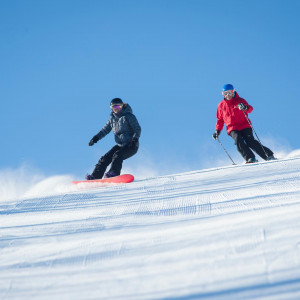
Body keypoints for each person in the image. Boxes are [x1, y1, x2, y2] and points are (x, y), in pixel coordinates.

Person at [212, 84, 276, 163]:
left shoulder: (240, 100)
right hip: (232, 128)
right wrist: (217, 131)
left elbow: (250, 109)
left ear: (233, 92)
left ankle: (268, 155)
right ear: (222, 94)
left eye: (229, 93)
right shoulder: (221, 105)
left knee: (250, 141)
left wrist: (245, 107)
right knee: (238, 141)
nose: (228, 95)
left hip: (244, 125)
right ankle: (250, 158)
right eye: (225, 93)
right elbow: (220, 120)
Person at [86, 98, 141, 179]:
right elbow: (105, 130)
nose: (116, 109)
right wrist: (96, 138)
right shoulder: (112, 119)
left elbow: (137, 129)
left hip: (131, 145)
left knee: (117, 155)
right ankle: (95, 176)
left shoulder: (129, 116)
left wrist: (135, 139)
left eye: (118, 107)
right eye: (113, 107)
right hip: (120, 145)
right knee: (105, 158)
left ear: (122, 106)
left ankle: (113, 173)